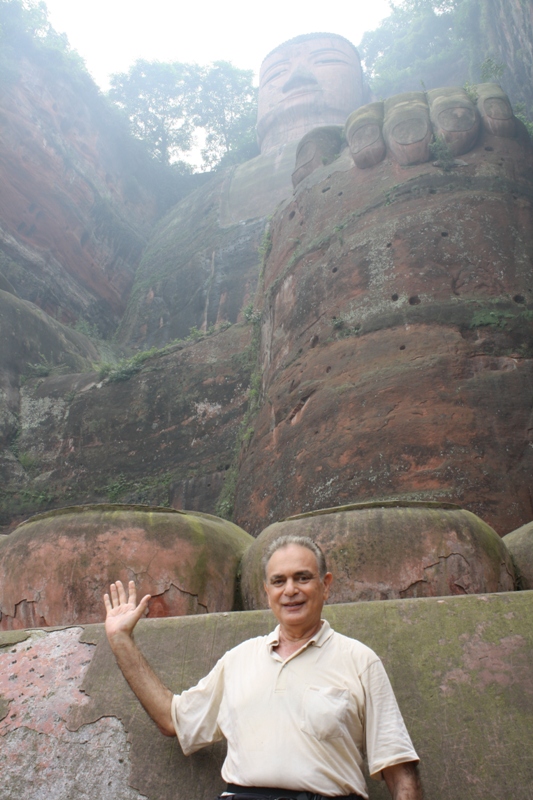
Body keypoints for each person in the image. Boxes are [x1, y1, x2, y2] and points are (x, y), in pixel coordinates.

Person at [104, 535, 423, 800]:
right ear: (266, 592)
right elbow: (172, 720)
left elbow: (399, 770)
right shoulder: (239, 660)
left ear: (325, 585)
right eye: (279, 581)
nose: (290, 591)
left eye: (303, 577)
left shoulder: (359, 660)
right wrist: (121, 640)